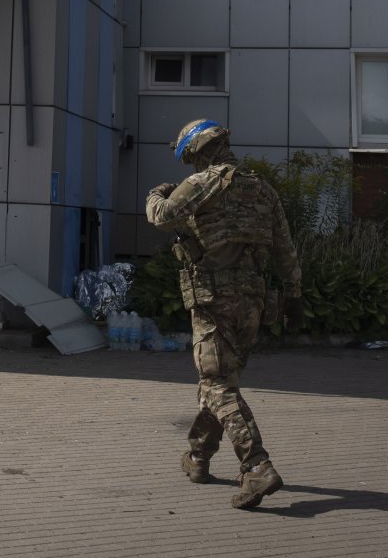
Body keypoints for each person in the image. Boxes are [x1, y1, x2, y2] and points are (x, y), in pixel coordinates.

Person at [144, 119, 301, 510]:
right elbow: (286, 251)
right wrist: (295, 296)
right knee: (220, 383)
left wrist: (156, 192)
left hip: (214, 297)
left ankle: (257, 466)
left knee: (217, 386)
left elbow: (161, 215)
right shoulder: (264, 190)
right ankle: (198, 459)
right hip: (253, 302)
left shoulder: (204, 183)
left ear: (197, 152)